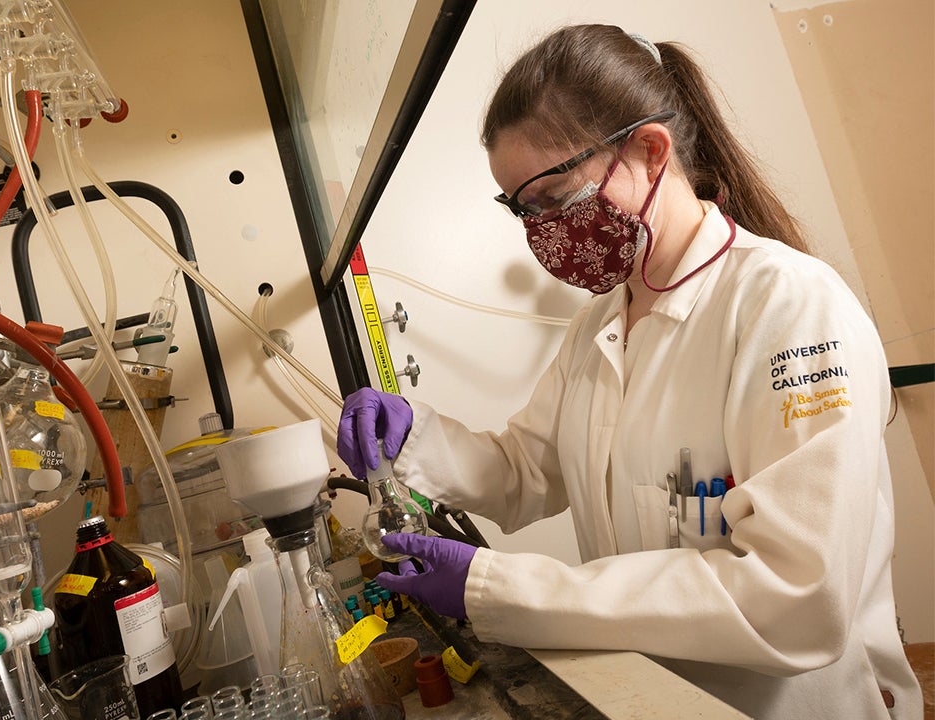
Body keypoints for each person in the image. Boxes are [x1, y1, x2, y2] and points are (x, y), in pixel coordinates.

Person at [337, 24, 920, 720]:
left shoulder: (788, 305)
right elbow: (527, 470)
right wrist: (414, 438)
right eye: (521, 209)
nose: (541, 231)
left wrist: (493, 589)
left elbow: (795, 598)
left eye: (556, 198)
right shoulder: (598, 326)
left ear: (649, 150)